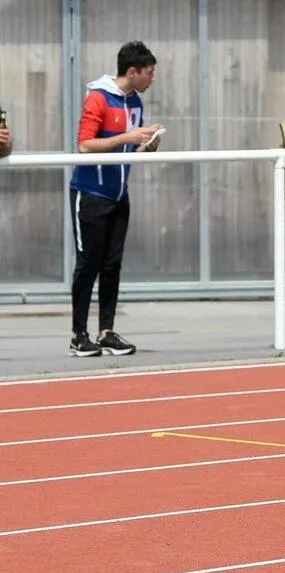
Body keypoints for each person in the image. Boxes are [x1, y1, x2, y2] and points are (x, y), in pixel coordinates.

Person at [68, 41, 163, 358]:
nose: (152, 79)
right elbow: (84, 145)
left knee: (112, 265)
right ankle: (78, 334)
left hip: (120, 194)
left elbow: (128, 148)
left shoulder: (135, 102)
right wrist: (125, 138)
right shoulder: (98, 98)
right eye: (149, 73)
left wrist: (146, 145)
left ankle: (106, 331)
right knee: (88, 264)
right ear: (132, 71)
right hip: (91, 194)